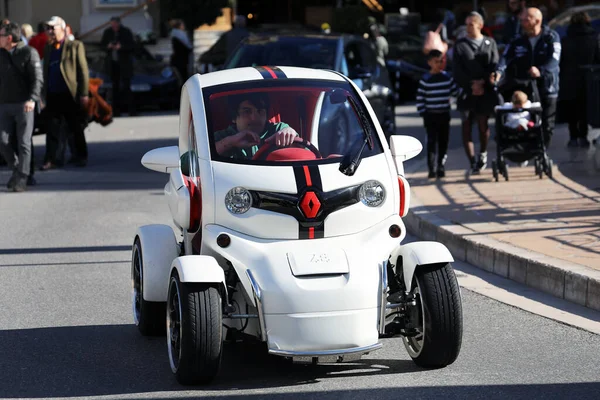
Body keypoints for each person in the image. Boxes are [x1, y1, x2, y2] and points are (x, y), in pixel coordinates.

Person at [497, 7, 561, 148]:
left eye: (526, 19)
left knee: (547, 124)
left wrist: (541, 70)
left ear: (537, 21)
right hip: (525, 87)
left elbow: (554, 60)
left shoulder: (551, 37)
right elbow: (505, 57)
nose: (522, 22)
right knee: (526, 120)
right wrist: (499, 72)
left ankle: (542, 152)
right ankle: (527, 149)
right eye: (522, 19)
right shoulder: (517, 39)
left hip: (547, 86)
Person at [452, 11, 500, 174]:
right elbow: (457, 70)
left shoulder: (490, 42)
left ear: (479, 25)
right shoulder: (460, 45)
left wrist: (485, 82)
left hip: (485, 91)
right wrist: (470, 84)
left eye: (471, 24)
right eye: (466, 24)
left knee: (483, 125)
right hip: (467, 92)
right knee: (466, 126)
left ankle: (483, 154)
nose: (468, 27)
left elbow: (494, 64)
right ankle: (472, 162)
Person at [40, 16, 89, 170]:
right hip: (52, 94)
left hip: (70, 93)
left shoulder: (74, 46)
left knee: (75, 127)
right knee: (52, 129)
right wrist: (42, 96)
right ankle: (52, 159)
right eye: (48, 28)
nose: (50, 31)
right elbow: (45, 71)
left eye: (52, 28)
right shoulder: (48, 48)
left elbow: (83, 70)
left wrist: (84, 93)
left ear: (62, 28)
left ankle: (80, 156)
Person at [0, 21, 43, 192]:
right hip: (4, 105)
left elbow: (37, 79)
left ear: (9, 38)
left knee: (24, 142)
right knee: (2, 141)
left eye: (1, 35)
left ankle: (22, 178)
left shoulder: (28, 53)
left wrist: (32, 99)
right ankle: (17, 170)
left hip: (24, 105)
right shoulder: (1, 55)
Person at [214, 92, 298, 159]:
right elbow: (204, 156)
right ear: (234, 117)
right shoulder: (221, 136)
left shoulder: (277, 129)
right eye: (247, 111)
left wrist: (289, 134)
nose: (254, 118)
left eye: (260, 111)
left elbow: (305, 154)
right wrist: (230, 142)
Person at [416, 49, 459, 179]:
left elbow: (455, 92)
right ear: (429, 63)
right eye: (436, 62)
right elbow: (420, 99)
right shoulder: (426, 80)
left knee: (443, 141)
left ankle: (441, 165)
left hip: (444, 115)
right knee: (431, 142)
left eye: (441, 61)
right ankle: (431, 167)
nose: (439, 64)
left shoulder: (447, 78)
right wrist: (424, 113)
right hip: (431, 115)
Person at [559, 11, 600, 148]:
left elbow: (561, 61)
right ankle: (583, 136)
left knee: (572, 109)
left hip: (569, 78)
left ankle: (573, 136)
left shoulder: (565, 40)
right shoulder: (594, 38)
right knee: (585, 108)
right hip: (589, 79)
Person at [100, 16, 135, 116]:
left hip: (124, 64)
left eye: (116, 24)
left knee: (127, 87)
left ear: (119, 23)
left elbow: (132, 46)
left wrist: (121, 47)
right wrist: (109, 46)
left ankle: (131, 110)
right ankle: (116, 111)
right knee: (115, 88)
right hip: (113, 64)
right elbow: (102, 45)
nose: (114, 26)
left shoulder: (126, 31)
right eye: (112, 24)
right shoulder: (108, 32)